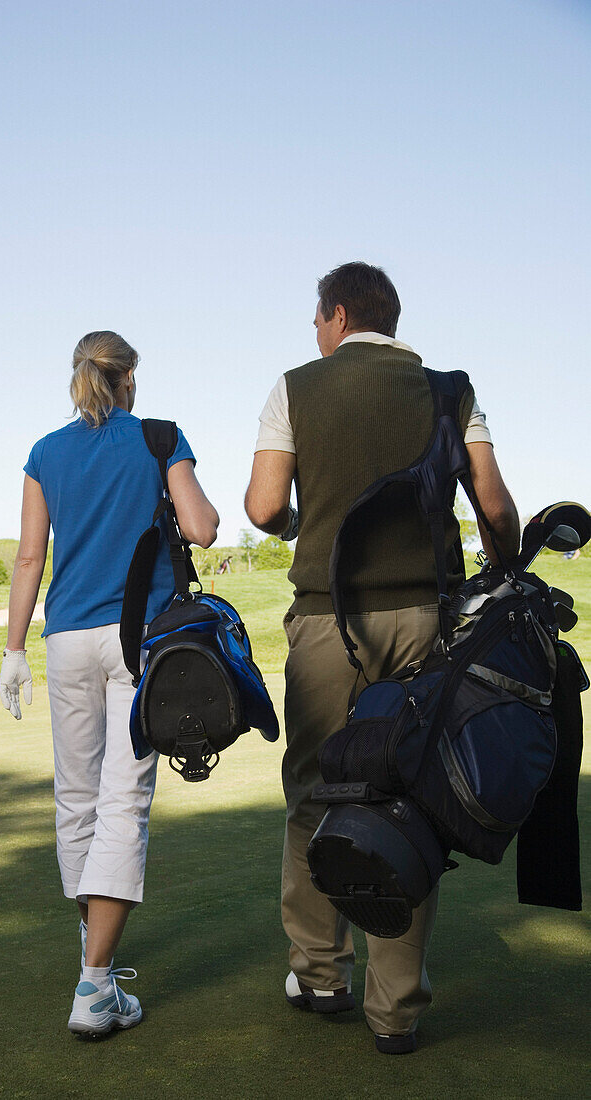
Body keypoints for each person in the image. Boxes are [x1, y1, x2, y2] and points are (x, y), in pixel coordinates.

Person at [244, 262, 519, 1054]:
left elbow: (264, 507)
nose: (314, 331)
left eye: (315, 318)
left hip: (329, 623)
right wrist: (500, 570)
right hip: (428, 623)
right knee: (410, 797)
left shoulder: (295, 386)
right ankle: (394, 1011)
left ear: (335, 316)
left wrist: (302, 517)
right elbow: (493, 504)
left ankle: (320, 973)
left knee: (314, 794)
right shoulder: (449, 389)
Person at [0, 330, 218, 1038]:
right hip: (136, 641)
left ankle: (92, 945)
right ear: (126, 379)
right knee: (124, 801)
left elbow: (31, 557)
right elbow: (203, 528)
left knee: (77, 798)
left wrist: (12, 649)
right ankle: (95, 985)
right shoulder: (159, 437)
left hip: (63, 642)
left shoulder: (44, 452)